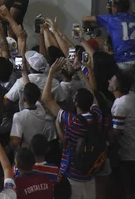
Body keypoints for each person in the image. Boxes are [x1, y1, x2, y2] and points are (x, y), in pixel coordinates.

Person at [41, 58, 103, 199]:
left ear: (75, 103)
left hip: (72, 175)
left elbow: (46, 99)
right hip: (90, 172)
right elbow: (92, 94)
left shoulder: (71, 120)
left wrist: (51, 73)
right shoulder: (97, 116)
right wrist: (82, 71)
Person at [82, 0, 135, 74]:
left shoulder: (110, 19)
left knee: (119, 84)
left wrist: (88, 28)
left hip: (123, 59)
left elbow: (85, 18)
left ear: (115, 9)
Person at [108, 71, 135, 198]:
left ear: (115, 87)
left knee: (129, 189)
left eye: (111, 81)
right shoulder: (132, 95)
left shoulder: (120, 105)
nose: (109, 81)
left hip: (129, 152)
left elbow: (116, 131)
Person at [10, 83, 56, 149]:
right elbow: (33, 94)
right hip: (38, 150)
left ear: (23, 98)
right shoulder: (41, 109)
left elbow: (16, 141)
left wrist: (8, 147)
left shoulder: (19, 116)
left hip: (25, 153)